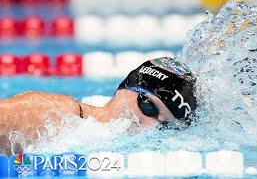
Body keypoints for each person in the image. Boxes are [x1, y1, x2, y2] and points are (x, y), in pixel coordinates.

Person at [0, 57, 197, 155]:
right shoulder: (57, 115)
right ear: (125, 89)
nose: (151, 125)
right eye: (149, 107)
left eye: (165, 126)